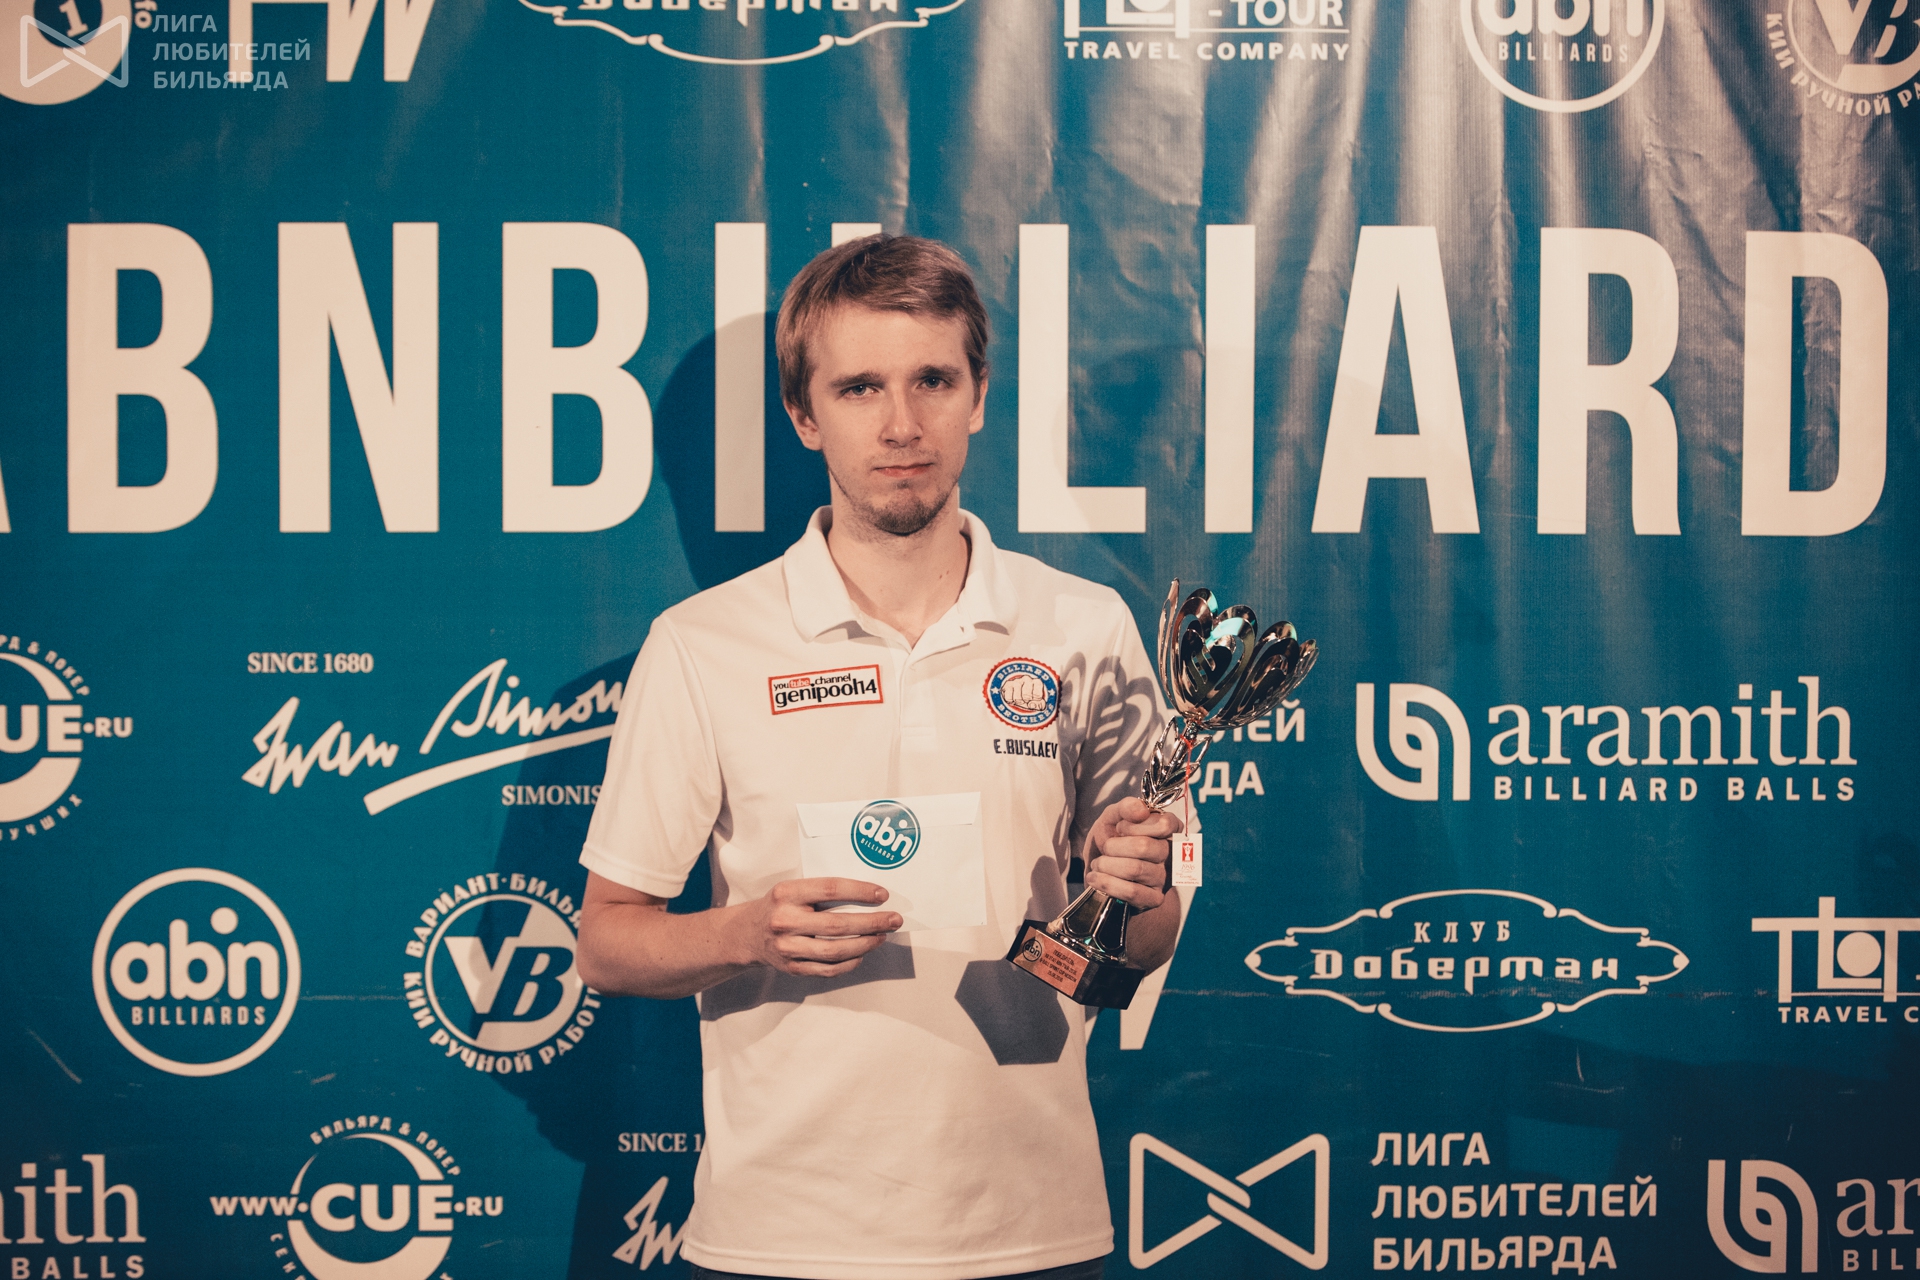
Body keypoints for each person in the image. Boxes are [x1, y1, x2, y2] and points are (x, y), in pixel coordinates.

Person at [576, 233, 1187, 1280]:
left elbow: (1141, 941)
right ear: (804, 415)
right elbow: (605, 942)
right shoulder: (702, 644)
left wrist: (1135, 894)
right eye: (860, 387)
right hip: (778, 1236)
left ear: (978, 395)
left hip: (1032, 1226)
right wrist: (745, 931)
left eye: (932, 380)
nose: (902, 424)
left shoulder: (1083, 626)